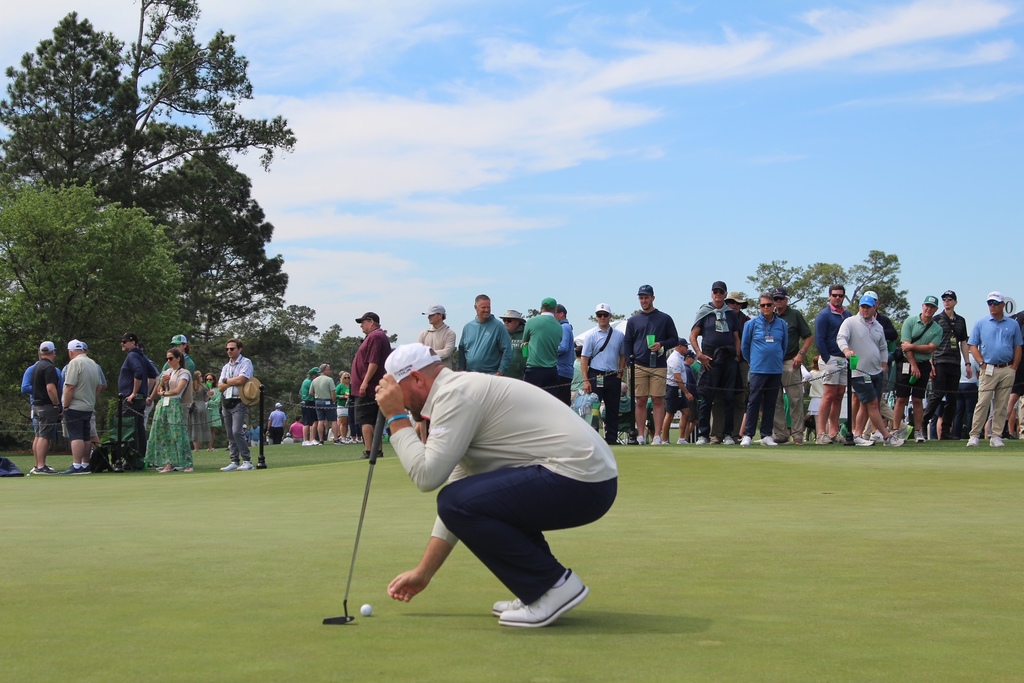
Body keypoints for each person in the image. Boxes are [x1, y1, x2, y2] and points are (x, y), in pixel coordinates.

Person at [377, 344, 618, 628]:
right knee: (465, 499)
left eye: (399, 393)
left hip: (580, 480)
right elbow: (459, 491)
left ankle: (552, 586)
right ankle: (540, 590)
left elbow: (427, 477)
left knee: (455, 500)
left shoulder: (453, 395)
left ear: (417, 379)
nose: (401, 402)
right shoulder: (457, 391)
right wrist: (424, 572)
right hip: (587, 480)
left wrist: (395, 418)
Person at [836, 294, 904, 447]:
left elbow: (883, 347)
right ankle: (887, 437)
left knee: (866, 405)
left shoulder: (878, 326)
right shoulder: (850, 322)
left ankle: (858, 435)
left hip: (876, 371)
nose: (865, 310)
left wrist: (884, 362)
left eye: (868, 307)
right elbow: (841, 338)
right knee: (873, 404)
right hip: (859, 371)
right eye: (862, 307)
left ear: (875, 308)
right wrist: (846, 350)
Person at [967, 292, 1023, 448]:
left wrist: (1014, 367)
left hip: (1007, 368)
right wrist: (981, 363)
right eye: (990, 303)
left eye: (995, 303)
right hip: (988, 368)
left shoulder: (1013, 324)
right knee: (983, 402)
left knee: (1002, 404)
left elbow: (1018, 346)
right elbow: (972, 345)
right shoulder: (981, 323)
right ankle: (974, 435)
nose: (992, 306)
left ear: (1002, 305)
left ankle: (996, 436)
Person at [625, 284, 679, 445]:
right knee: (640, 400)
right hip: (639, 365)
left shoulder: (665, 318)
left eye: (646, 297)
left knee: (657, 399)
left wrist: (661, 344)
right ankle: (640, 435)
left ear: (653, 298)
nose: (643, 300)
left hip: (658, 364)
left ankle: (657, 435)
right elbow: (627, 342)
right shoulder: (633, 320)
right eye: (641, 298)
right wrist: (629, 362)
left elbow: (674, 339)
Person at [689, 281, 741, 446]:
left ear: (725, 295)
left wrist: (737, 356)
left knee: (729, 397)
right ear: (712, 294)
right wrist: (700, 355)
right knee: (706, 397)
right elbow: (693, 336)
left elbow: (736, 337)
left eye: (721, 292)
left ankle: (728, 434)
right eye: (715, 292)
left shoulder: (731, 314)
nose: (718, 295)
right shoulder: (705, 312)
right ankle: (703, 435)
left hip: (728, 357)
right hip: (710, 358)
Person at [893, 296, 943, 442]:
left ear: (935, 309)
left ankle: (918, 431)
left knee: (918, 399)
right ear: (922, 306)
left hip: (924, 364)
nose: (929, 309)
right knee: (901, 398)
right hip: (906, 363)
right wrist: (914, 364)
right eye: (927, 306)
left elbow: (930, 349)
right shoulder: (910, 322)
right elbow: (904, 346)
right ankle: (896, 430)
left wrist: (913, 347)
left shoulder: (937, 329)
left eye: (932, 307)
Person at [739, 294, 788, 447]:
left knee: (771, 402)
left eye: (768, 305)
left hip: (775, 369)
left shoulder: (782, 324)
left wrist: (777, 359)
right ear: (759, 307)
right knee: (753, 402)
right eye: (762, 305)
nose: (765, 308)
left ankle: (766, 434)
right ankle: (748, 434)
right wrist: (753, 362)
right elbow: (744, 347)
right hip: (758, 369)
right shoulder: (751, 324)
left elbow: (784, 346)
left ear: (774, 306)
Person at [770, 287, 814, 445]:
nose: (778, 302)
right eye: (775, 299)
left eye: (781, 298)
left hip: (791, 361)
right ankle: (781, 434)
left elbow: (808, 336)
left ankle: (797, 434)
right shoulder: (769, 316)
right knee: (775, 400)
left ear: (786, 299)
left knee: (795, 399)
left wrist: (801, 354)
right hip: (773, 363)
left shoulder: (794, 314)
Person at [581, 303, 626, 446]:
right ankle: (592, 437)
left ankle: (611, 438)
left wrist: (620, 372)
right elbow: (584, 358)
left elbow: (623, 355)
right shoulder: (591, 335)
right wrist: (586, 380)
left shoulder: (619, 335)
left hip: (612, 375)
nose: (602, 318)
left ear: (610, 316)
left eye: (605, 315)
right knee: (593, 409)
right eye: (599, 315)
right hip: (596, 374)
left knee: (613, 408)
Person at [813, 285, 852, 444]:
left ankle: (833, 431)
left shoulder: (847, 315)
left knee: (839, 395)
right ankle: (821, 433)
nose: (838, 298)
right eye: (835, 295)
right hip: (830, 358)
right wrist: (827, 358)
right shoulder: (824, 315)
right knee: (828, 395)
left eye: (841, 295)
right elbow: (819, 339)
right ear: (829, 296)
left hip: (844, 359)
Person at [352, 311, 392, 459]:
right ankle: (376, 450)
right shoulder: (375, 336)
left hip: (369, 387)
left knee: (366, 419)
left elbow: (373, 361)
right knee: (372, 420)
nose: (361, 326)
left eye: (363, 322)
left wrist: (364, 382)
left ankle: (370, 450)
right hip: (371, 385)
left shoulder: (375, 336)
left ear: (371, 321)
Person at [59, 340, 104, 474]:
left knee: (76, 436)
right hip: (88, 405)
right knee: (86, 436)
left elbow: (70, 386)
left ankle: (77, 465)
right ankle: (85, 464)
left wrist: (65, 405)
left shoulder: (74, 363)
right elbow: (99, 385)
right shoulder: (93, 364)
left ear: (71, 352)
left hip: (75, 405)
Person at [147, 347, 194, 473]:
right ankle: (168, 462)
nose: (168, 361)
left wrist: (164, 393)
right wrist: (162, 384)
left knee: (178, 434)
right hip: (163, 404)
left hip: (175, 403)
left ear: (178, 359)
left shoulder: (184, 373)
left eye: (171, 358)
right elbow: (158, 390)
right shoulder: (166, 372)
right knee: (163, 434)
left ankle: (187, 462)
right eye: (167, 359)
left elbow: (178, 390)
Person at [217, 338, 255, 470]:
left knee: (237, 431)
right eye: (227, 349)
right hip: (226, 400)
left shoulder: (246, 362)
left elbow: (242, 379)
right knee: (230, 433)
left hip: (239, 400)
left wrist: (227, 380)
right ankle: (234, 460)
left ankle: (247, 461)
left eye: (232, 349)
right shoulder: (226, 366)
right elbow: (220, 386)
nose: (229, 351)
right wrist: (231, 381)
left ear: (240, 349)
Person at [119, 332, 157, 462]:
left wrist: (134, 392)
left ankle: (131, 459)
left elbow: (139, 372)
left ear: (132, 342)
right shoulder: (142, 356)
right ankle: (140, 457)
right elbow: (154, 376)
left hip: (132, 399)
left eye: (124, 342)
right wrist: (145, 393)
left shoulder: (133, 355)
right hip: (140, 398)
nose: (122, 344)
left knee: (129, 429)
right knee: (139, 428)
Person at [30, 341, 62, 475]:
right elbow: (50, 388)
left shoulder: (37, 366)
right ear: (53, 352)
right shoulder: (49, 368)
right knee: (44, 436)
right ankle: (41, 466)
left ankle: (38, 465)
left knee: (38, 435)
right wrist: (56, 404)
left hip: (36, 404)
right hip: (46, 405)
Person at [458, 294, 512, 375]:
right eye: (483, 307)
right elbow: (462, 350)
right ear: (475, 307)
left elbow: (507, 350)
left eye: (488, 307)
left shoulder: (498, 326)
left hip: (491, 376)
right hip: (470, 376)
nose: (486, 310)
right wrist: (461, 371)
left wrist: (500, 373)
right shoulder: (468, 327)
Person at [522, 297, 563, 398]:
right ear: (555, 310)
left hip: (534, 369)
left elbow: (524, 341)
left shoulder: (531, 322)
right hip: (551, 370)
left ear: (541, 308)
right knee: (549, 403)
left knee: (531, 402)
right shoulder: (559, 326)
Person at [662, 338, 695, 445]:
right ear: (680, 346)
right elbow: (677, 378)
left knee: (686, 412)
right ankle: (664, 439)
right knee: (670, 414)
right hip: (673, 389)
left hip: (679, 389)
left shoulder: (680, 358)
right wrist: (687, 392)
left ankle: (681, 439)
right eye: (686, 346)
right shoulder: (674, 359)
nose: (687, 348)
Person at [418, 305, 457, 370]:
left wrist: (425, 354)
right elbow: (418, 353)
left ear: (440, 316)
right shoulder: (423, 334)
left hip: (444, 374)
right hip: (427, 374)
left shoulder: (450, 334)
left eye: (431, 315)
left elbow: (446, 353)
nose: (428, 317)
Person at [554, 304, 575, 406]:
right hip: (564, 371)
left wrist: (548, 351)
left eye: (555, 313)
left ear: (561, 314)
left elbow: (563, 347)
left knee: (561, 403)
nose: (553, 316)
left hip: (562, 371)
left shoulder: (564, 327)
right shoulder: (565, 327)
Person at [311, 363, 337, 444]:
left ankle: (321, 440)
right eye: (329, 369)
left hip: (318, 401)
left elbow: (311, 392)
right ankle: (336, 439)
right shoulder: (329, 380)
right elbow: (333, 392)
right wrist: (333, 401)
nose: (330, 371)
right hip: (328, 401)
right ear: (325, 370)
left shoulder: (314, 380)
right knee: (333, 420)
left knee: (320, 420)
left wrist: (318, 395)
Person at [500, 310, 527, 380]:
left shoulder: (526, 334)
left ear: (517, 322)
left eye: (509, 320)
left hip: (521, 376)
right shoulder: (501, 334)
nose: (506, 322)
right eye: (504, 320)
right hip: (503, 375)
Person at [190, 371, 212, 451]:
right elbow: (206, 399)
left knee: (195, 428)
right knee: (205, 427)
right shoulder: (203, 386)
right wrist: (209, 394)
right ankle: (209, 447)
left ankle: (196, 448)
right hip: (202, 406)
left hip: (193, 407)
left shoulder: (191, 386)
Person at [300, 367, 319, 445]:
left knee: (314, 421)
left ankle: (312, 439)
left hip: (309, 401)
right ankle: (305, 440)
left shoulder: (307, 381)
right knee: (307, 422)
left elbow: (300, 391)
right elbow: (312, 392)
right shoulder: (309, 382)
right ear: (313, 375)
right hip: (308, 402)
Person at [204, 372, 222, 450]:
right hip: (205, 411)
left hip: (213, 411)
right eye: (207, 379)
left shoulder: (217, 390)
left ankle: (210, 446)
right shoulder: (204, 389)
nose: (209, 381)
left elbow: (217, 402)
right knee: (205, 430)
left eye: (210, 379)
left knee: (212, 430)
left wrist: (208, 401)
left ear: (214, 380)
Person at [335, 371, 352, 444]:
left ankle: (346, 436)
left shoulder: (352, 386)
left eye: (348, 377)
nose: (347, 379)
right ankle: (343, 437)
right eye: (345, 377)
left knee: (348, 422)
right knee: (343, 422)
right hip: (342, 406)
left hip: (350, 405)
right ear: (342, 378)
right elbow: (335, 395)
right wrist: (343, 396)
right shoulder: (340, 386)